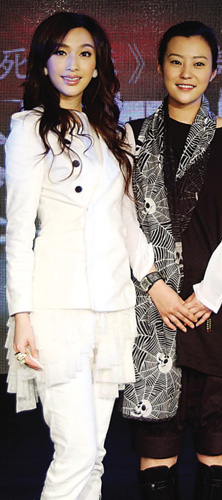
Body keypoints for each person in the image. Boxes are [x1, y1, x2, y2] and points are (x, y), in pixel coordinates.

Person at [5, 11, 161, 499]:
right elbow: (19, 230)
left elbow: (127, 223)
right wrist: (21, 316)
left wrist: (156, 282)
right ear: (43, 63)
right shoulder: (30, 129)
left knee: (94, 455)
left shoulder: (114, 134)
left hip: (112, 308)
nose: (72, 64)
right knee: (74, 452)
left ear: (98, 66)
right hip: (57, 310)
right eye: (61, 52)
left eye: (84, 54)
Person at [122, 21, 222, 500]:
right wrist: (155, 285)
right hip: (152, 311)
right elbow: (124, 219)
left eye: (198, 63)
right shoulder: (133, 135)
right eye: (176, 61)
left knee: (217, 449)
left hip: (218, 311)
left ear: (214, 72)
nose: (186, 73)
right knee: (156, 452)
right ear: (160, 67)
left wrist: (209, 292)